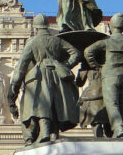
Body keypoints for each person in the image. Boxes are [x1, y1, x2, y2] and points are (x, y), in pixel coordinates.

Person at [7, 13, 80, 145]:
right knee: (55, 103)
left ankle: (45, 132)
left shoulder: (33, 42)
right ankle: (54, 133)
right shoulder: (57, 40)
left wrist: (13, 90)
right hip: (57, 74)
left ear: (35, 27)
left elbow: (21, 67)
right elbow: (76, 53)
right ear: (47, 25)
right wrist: (65, 65)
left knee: (40, 103)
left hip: (39, 76)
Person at [84, 13, 123, 139]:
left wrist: (96, 65)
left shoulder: (107, 42)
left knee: (112, 104)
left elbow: (88, 51)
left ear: (111, 26)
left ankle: (118, 128)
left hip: (110, 76)